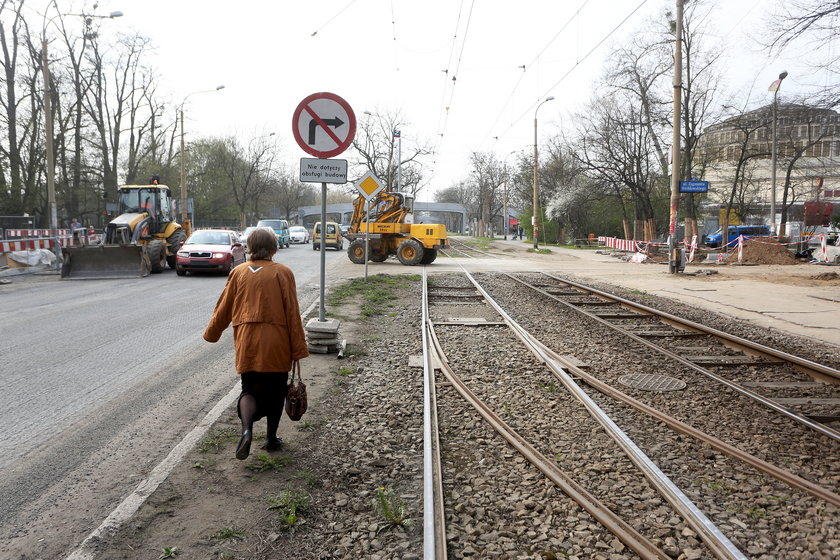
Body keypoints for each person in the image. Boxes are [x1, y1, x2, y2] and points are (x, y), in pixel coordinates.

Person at [203, 228, 309, 460]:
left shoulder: (238, 272)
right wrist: (298, 348)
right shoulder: (283, 272)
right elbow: (292, 312)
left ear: (249, 247)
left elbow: (224, 308)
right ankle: (271, 439)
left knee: (249, 388)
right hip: (276, 342)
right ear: (274, 248)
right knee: (276, 391)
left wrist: (211, 333)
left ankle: (247, 430)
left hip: (247, 340)